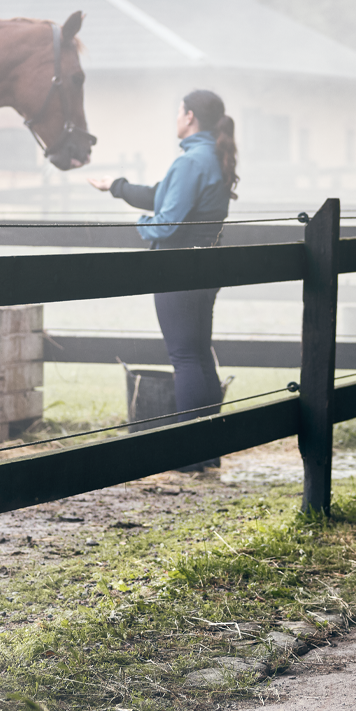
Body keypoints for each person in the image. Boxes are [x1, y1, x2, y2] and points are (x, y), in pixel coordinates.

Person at [87, 89, 238, 471]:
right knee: (199, 355)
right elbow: (163, 195)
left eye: (178, 112)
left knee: (184, 358)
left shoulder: (191, 161)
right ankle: (207, 451)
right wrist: (117, 186)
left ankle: (187, 455)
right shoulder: (210, 157)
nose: (176, 118)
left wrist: (139, 227)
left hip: (178, 268)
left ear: (189, 117)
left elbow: (166, 223)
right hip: (205, 269)